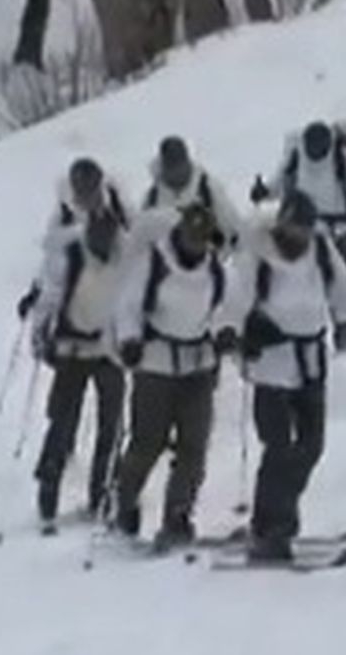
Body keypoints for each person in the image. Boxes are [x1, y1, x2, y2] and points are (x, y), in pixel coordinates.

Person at [221, 191, 346, 561]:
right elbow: (234, 302)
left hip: (310, 362)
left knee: (311, 446)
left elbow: (344, 296)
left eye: (305, 231)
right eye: (294, 229)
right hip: (271, 366)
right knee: (278, 447)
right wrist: (234, 334)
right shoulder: (257, 256)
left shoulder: (322, 253)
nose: (300, 237)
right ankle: (272, 529)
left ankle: (272, 519)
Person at [111, 205, 230, 548]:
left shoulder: (214, 271)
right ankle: (125, 501)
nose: (197, 246)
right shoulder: (154, 263)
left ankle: (178, 515)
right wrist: (130, 339)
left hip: (198, 364)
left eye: (202, 240)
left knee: (194, 446)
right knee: (148, 442)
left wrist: (226, 333)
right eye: (192, 238)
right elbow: (129, 305)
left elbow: (225, 307)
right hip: (156, 365)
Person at [28, 209, 128, 529]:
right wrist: (40, 337)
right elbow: (50, 298)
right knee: (63, 419)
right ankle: (49, 485)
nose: (104, 243)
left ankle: (103, 491)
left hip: (109, 349)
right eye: (99, 237)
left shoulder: (126, 255)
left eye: (108, 237)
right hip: (72, 346)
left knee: (111, 424)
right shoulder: (71, 255)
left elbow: (133, 299)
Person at [254, 120, 346, 350]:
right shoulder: (296, 157)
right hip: (299, 230)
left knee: (338, 277)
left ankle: (342, 326)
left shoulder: (341, 159)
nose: (315, 153)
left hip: (336, 230)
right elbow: (280, 180)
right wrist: (265, 191)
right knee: (298, 280)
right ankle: (295, 327)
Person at [17, 158, 136, 320]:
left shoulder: (118, 208)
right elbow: (53, 265)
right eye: (82, 190)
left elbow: (139, 243)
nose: (88, 196)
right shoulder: (64, 218)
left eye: (92, 189)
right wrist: (37, 292)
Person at [138, 136, 243, 248]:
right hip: (163, 263)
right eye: (172, 164)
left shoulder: (207, 188)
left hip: (209, 262)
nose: (177, 170)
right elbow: (140, 241)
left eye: (179, 163)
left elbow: (235, 230)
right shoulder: (153, 198)